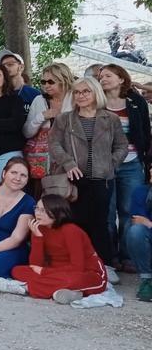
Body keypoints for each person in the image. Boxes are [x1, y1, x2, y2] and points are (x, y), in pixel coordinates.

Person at [49, 76, 128, 284]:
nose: (81, 95)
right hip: (75, 178)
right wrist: (68, 163)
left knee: (101, 222)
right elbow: (54, 144)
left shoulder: (110, 119)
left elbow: (122, 145)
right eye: (77, 92)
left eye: (86, 91)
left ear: (95, 93)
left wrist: (111, 163)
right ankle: (77, 264)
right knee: (76, 222)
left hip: (102, 178)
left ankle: (105, 264)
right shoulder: (64, 119)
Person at [0, 194, 108, 304]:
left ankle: (25, 288)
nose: (38, 213)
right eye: (37, 208)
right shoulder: (39, 228)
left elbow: (77, 268)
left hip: (87, 272)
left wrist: (44, 272)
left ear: (57, 212)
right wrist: (37, 237)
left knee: (72, 279)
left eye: (43, 210)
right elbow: (35, 264)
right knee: (17, 270)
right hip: (56, 271)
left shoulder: (71, 230)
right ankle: (72, 293)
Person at [99, 64, 151, 271]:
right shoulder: (97, 103)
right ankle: (109, 258)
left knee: (130, 210)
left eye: (108, 75)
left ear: (121, 79)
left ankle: (129, 256)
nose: (103, 79)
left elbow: (145, 132)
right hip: (105, 164)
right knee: (107, 212)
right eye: (101, 76)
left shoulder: (135, 101)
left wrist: (144, 158)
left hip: (132, 163)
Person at [23, 63, 75, 196]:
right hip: (43, 161)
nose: (46, 85)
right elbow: (27, 132)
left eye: (51, 81)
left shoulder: (75, 98)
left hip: (71, 157)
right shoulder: (39, 100)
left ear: (63, 80)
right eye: (43, 82)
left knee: (69, 195)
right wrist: (42, 116)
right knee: (43, 197)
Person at [126, 166, 152, 302]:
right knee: (135, 231)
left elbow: (146, 222)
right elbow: (137, 220)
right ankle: (147, 280)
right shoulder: (141, 192)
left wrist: (150, 224)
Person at [0, 49, 40, 116]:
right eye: (3, 66)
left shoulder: (34, 94)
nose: (5, 67)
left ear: (21, 67)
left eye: (10, 64)